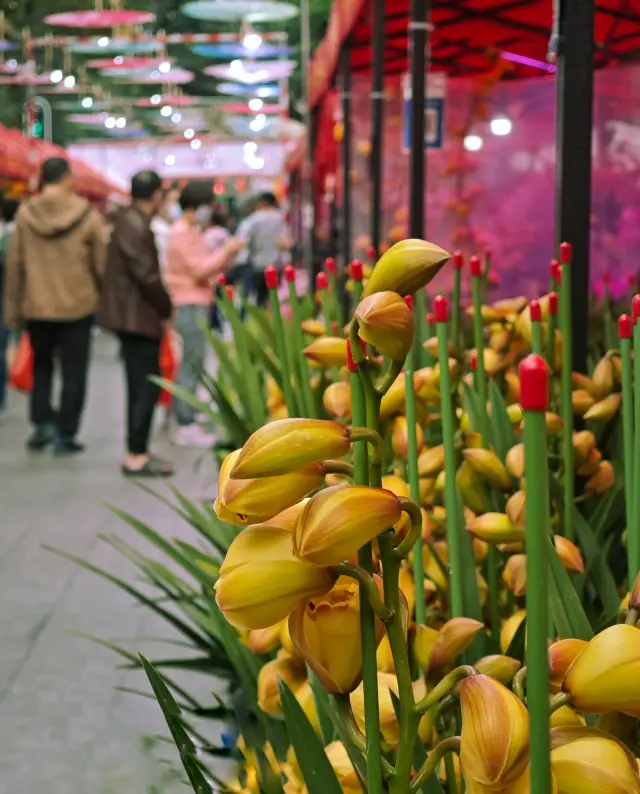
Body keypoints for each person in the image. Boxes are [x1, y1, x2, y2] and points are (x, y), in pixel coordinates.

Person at [3, 157, 107, 454]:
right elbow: (101, 263)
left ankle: (41, 425)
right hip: (78, 305)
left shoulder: (25, 214)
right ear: (66, 178)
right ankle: (66, 433)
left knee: (42, 367)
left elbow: (15, 265)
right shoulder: (86, 214)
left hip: (37, 306)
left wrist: (12, 309)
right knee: (74, 371)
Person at [99, 170, 174, 477]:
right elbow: (146, 275)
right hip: (136, 316)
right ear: (156, 194)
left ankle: (137, 449)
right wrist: (166, 305)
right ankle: (136, 453)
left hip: (134, 314)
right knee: (144, 385)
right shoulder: (133, 224)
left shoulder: (129, 221)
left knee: (142, 383)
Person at [165, 182, 242, 447]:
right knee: (191, 362)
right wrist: (226, 252)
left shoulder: (189, 230)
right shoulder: (181, 233)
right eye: (208, 205)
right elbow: (199, 269)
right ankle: (184, 422)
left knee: (194, 361)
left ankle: (187, 415)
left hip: (196, 301)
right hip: (188, 303)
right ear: (197, 206)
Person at [238, 192, 292, 307]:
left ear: (262, 203)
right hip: (276, 266)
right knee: (273, 300)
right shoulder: (281, 219)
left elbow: (244, 240)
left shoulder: (253, 219)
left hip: (257, 265)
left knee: (255, 300)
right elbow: (286, 241)